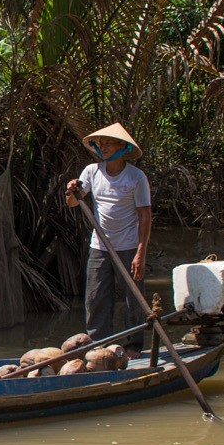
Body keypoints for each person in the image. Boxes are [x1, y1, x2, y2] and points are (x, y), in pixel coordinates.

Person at [64, 123, 152, 344]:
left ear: (122, 146)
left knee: (133, 298)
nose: (103, 147)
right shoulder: (92, 172)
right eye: (100, 144)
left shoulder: (136, 177)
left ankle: (133, 344)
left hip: (129, 245)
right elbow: (72, 202)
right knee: (96, 298)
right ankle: (99, 345)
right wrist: (71, 189)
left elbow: (145, 216)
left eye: (108, 143)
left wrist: (141, 253)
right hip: (100, 245)